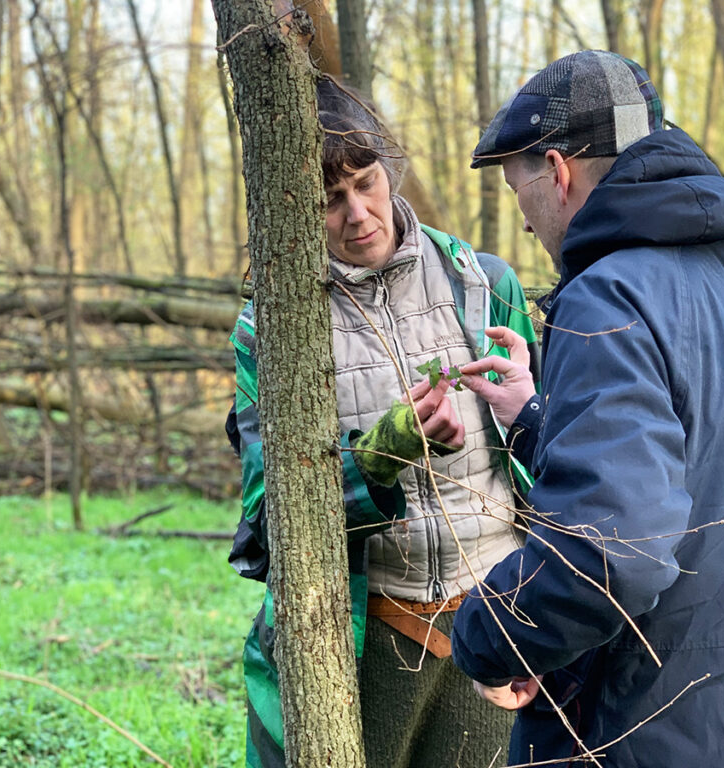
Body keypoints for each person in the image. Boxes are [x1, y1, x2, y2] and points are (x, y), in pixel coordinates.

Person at [450, 50, 724, 766]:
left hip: (645, 733)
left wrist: (486, 631)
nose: (529, 227)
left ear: (559, 172)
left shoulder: (609, 300)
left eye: (519, 191)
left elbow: (607, 559)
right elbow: (718, 478)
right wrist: (536, 421)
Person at [225, 79, 540, 768]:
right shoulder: (274, 327)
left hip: (493, 614)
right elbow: (269, 516)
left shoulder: (482, 285)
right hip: (371, 631)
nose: (358, 214)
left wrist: (543, 620)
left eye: (365, 183)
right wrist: (384, 453)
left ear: (387, 171)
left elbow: (549, 463)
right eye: (328, 200)